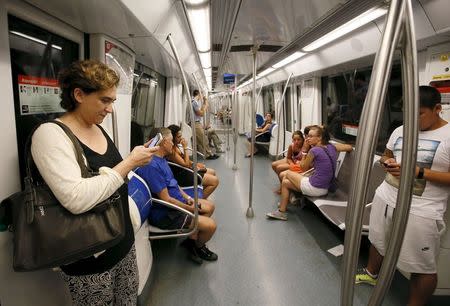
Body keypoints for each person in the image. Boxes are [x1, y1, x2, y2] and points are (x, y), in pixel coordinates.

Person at [31, 60, 157, 305]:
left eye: (112, 101)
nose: (110, 109)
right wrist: (129, 163)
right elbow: (76, 198)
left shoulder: (98, 129)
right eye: (104, 100)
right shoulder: (50, 135)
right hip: (89, 257)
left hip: (123, 243)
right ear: (78, 94)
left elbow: (112, 178)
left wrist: (135, 162)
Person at [355, 86, 450, 306]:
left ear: (438, 109)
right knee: (378, 241)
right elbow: (386, 155)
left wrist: (418, 172)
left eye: (419, 114)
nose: (413, 121)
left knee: (421, 265)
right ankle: (371, 273)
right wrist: (386, 162)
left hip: (421, 208)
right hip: (386, 197)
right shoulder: (400, 130)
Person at [136, 127, 218, 264]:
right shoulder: (151, 166)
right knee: (211, 226)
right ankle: (198, 247)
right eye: (171, 141)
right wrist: (191, 208)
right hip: (167, 213)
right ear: (163, 143)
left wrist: (188, 198)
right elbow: (166, 199)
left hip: (177, 203)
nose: (173, 145)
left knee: (210, 207)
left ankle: (191, 241)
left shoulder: (161, 160)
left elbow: (174, 184)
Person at [266, 125, 337, 221]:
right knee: (286, 183)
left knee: (287, 174)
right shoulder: (331, 147)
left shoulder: (314, 150)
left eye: (311, 136)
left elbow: (303, 168)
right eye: (308, 136)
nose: (308, 138)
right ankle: (282, 210)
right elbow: (348, 147)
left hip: (315, 187)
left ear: (320, 137)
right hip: (325, 187)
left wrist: (304, 152)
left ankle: (288, 202)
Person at [167, 124, 219, 199]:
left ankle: (201, 193)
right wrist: (185, 148)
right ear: (172, 138)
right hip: (182, 175)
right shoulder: (172, 151)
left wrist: (195, 164)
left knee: (212, 172)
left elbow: (184, 161)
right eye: (178, 137)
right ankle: (199, 201)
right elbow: (186, 164)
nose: (181, 138)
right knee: (215, 181)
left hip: (186, 170)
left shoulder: (176, 146)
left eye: (181, 136)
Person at [191, 90, 219, 160]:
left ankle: (208, 153)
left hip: (197, 123)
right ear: (198, 94)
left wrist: (204, 104)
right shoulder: (194, 102)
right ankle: (209, 155)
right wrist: (206, 105)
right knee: (204, 139)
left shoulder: (196, 102)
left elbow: (200, 112)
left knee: (202, 139)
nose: (202, 96)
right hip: (195, 124)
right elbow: (201, 114)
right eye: (201, 94)